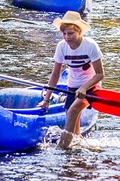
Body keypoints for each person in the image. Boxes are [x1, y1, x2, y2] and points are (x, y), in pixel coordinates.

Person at [37, 11, 104, 149]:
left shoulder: (91, 46)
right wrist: (46, 99)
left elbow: (100, 74)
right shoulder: (61, 47)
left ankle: (62, 149)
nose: (67, 37)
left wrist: (85, 87)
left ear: (79, 31)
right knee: (74, 129)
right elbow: (55, 74)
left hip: (92, 86)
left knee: (73, 110)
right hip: (72, 87)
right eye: (64, 34)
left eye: (71, 33)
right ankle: (77, 152)